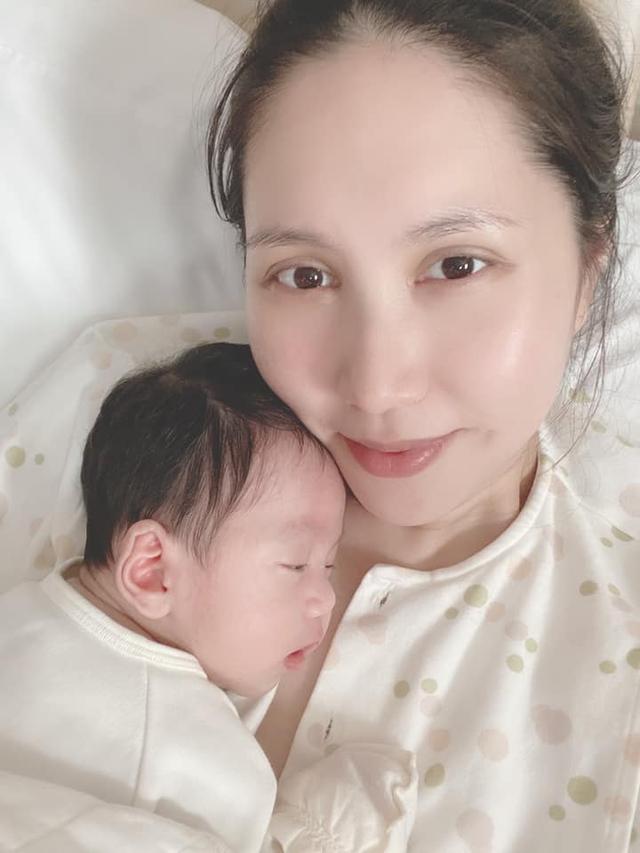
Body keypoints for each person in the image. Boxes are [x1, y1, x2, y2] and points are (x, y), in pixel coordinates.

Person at [207, 1, 640, 850]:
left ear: (589, 269)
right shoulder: (99, 414)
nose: (376, 385)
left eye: (456, 264)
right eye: (304, 275)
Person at [0, 342, 346, 852]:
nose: (326, 600)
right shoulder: (207, 762)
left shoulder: (16, 611)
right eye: (296, 564)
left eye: (330, 568)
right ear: (152, 571)